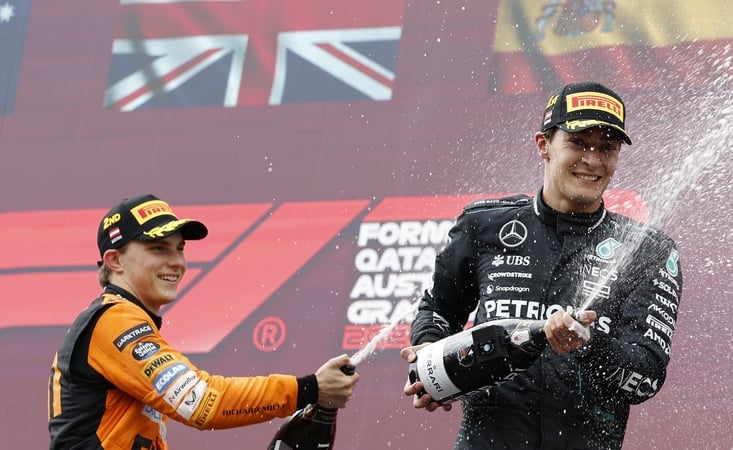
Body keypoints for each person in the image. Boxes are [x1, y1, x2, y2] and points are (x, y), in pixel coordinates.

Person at [401, 82, 682, 449]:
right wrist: (430, 357)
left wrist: (588, 345)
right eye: (579, 143)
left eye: (607, 148)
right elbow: (438, 308)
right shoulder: (484, 226)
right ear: (543, 145)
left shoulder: (649, 251)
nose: (593, 160)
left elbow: (646, 378)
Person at [48, 194, 359, 449]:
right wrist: (308, 389)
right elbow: (201, 402)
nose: (177, 262)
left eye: (179, 248)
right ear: (115, 261)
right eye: (158, 248)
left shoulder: (121, 320)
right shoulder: (114, 320)